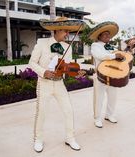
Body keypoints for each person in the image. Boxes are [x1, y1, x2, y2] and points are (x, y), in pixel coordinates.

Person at [29, 17, 83, 152]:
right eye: (65, 31)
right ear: (57, 30)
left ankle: (70, 138)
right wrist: (43, 72)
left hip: (59, 84)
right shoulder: (41, 43)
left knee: (68, 110)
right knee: (41, 112)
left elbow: (67, 67)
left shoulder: (67, 47)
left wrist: (75, 73)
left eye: (68, 32)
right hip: (44, 83)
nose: (67, 34)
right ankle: (38, 139)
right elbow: (32, 62)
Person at [88, 21, 135, 128]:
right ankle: (97, 118)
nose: (108, 36)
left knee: (113, 97)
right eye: (105, 35)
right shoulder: (95, 45)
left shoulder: (110, 47)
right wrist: (114, 56)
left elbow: (121, 54)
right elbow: (100, 55)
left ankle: (109, 115)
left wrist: (129, 47)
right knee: (98, 98)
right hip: (100, 75)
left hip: (113, 74)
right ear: (99, 36)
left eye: (109, 35)